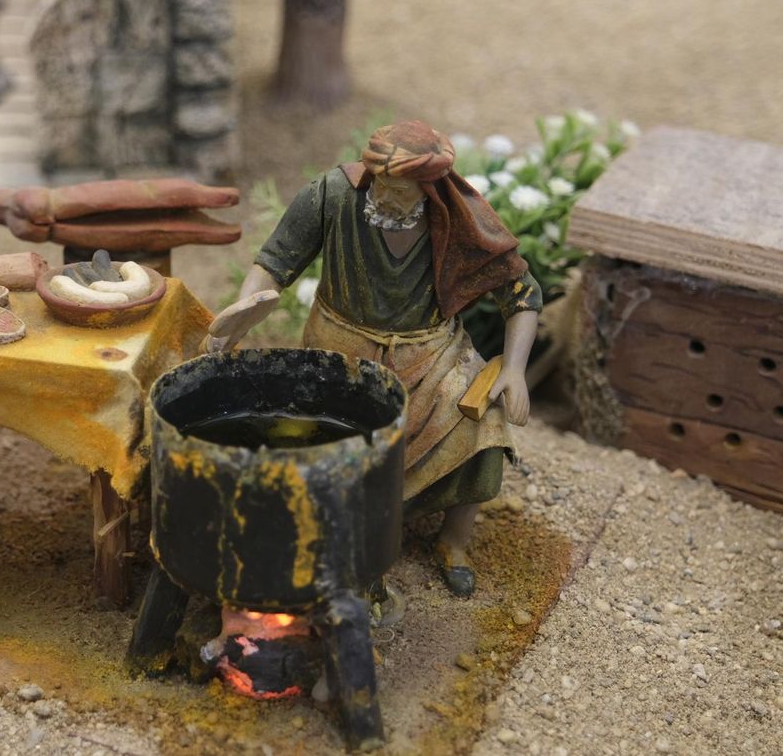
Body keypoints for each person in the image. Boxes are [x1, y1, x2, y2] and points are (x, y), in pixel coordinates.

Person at [207, 120, 541, 598]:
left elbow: (522, 292)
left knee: (482, 422)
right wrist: (242, 313)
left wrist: (513, 370)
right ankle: (338, 526)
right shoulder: (331, 195)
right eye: (378, 183)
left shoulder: (459, 218)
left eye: (398, 190)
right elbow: (274, 263)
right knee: (326, 439)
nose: (382, 197)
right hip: (340, 349)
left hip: (430, 354)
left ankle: (453, 541)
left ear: (429, 189)